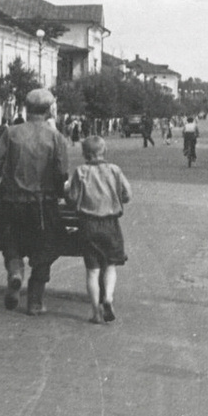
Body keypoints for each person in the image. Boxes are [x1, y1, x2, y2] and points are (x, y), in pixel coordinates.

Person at [0, 88, 69, 316]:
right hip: (43, 205)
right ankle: (35, 302)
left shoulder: (10, 133)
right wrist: (60, 191)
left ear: (27, 109)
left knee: (11, 243)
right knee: (44, 252)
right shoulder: (56, 138)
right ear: (48, 110)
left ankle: (15, 271)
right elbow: (61, 172)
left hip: (11, 202)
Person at [67, 135, 132, 324]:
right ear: (105, 151)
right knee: (110, 266)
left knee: (92, 271)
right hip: (110, 225)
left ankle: (96, 313)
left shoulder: (81, 171)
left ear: (84, 154)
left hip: (88, 226)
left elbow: (72, 198)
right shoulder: (114, 170)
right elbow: (127, 195)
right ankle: (108, 298)